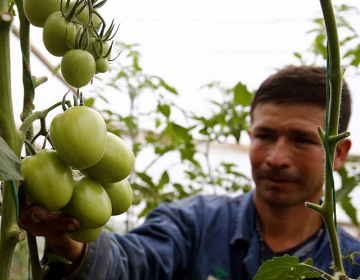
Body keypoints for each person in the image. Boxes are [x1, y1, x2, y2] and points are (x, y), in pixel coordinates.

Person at [19, 66, 360, 280]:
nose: (276, 157)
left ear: (338, 153)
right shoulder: (194, 224)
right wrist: (64, 238)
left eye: (302, 140)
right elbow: (134, 263)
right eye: (265, 135)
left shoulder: (352, 266)